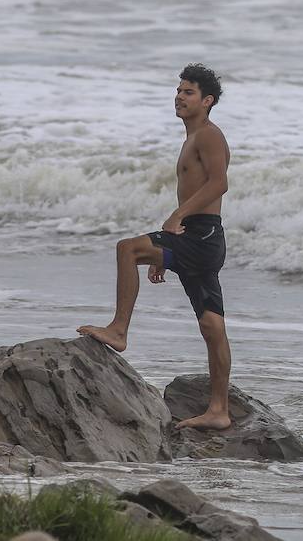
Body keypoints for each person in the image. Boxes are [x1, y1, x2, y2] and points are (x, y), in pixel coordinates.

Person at [78, 64, 233, 430]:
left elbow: (219, 184)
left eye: (189, 92)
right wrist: (167, 249)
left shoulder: (209, 135)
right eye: (179, 90)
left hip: (201, 234)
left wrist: (174, 218)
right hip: (199, 236)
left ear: (207, 101)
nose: (179, 96)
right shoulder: (192, 137)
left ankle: (119, 330)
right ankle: (219, 411)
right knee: (212, 326)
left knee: (127, 248)